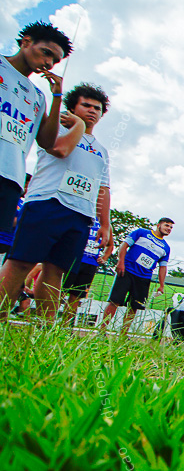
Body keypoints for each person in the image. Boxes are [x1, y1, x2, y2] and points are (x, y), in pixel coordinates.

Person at [0, 82, 112, 321]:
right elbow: (60, 150)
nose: (93, 111)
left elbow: (103, 187)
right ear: (73, 107)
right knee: (20, 263)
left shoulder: (102, 151)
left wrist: (105, 224)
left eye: (98, 108)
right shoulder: (58, 128)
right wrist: (78, 125)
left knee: (56, 271)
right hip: (47, 203)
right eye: (86, 105)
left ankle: (46, 327)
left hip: (80, 214)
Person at [1, 22, 69, 249]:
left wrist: (57, 97)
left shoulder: (37, 96)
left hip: (11, 178)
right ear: (26, 42)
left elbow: (47, 142)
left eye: (55, 60)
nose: (49, 63)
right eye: (46, 53)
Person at [100, 218, 173, 333]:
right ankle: (102, 330)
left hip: (144, 277)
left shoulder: (166, 248)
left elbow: (163, 267)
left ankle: (123, 334)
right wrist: (120, 262)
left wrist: (161, 285)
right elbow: (124, 246)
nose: (168, 229)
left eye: (171, 227)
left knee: (134, 307)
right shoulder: (142, 232)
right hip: (127, 271)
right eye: (166, 225)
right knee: (115, 301)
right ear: (158, 225)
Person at [62, 218, 116, 325]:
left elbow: (110, 245)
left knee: (76, 295)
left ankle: (65, 326)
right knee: (60, 291)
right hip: (73, 260)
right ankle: (48, 322)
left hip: (90, 265)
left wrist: (104, 257)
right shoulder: (84, 216)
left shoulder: (106, 224)